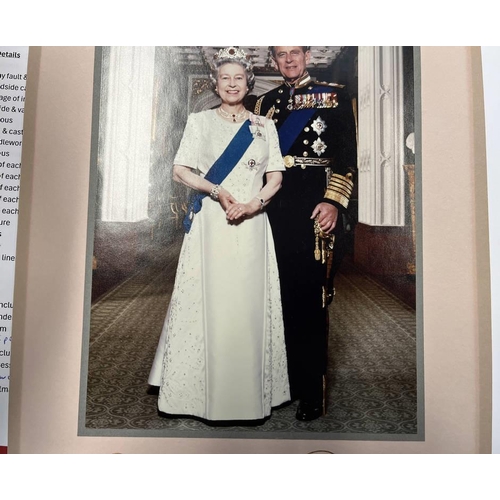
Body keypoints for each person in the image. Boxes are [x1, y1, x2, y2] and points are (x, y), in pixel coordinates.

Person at [147, 47, 290, 424]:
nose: (231, 83)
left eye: (238, 78)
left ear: (248, 83)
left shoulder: (265, 127)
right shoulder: (199, 121)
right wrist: (217, 191)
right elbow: (180, 170)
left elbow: (275, 176)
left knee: (246, 303)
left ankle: (247, 394)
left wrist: (253, 204)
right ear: (216, 82)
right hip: (213, 221)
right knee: (208, 300)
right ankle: (195, 394)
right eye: (225, 77)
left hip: (252, 223)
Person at [254, 46, 357, 421]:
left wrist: (333, 202)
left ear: (308, 54)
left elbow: (347, 155)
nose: (289, 60)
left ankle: (312, 390)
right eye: (281, 54)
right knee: (274, 299)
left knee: (310, 302)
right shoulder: (265, 103)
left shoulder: (334, 94)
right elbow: (256, 160)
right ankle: (284, 384)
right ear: (274, 59)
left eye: (295, 52)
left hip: (316, 208)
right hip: (273, 209)